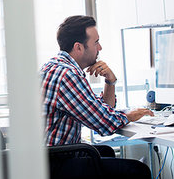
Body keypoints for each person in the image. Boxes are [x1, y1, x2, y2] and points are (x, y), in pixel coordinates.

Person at [41, 15, 153, 178]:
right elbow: (104, 124)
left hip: (49, 157)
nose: (100, 48)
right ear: (79, 47)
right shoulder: (67, 76)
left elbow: (100, 110)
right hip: (54, 164)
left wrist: (110, 81)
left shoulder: (54, 67)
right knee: (138, 171)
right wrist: (130, 116)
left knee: (105, 151)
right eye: (96, 42)